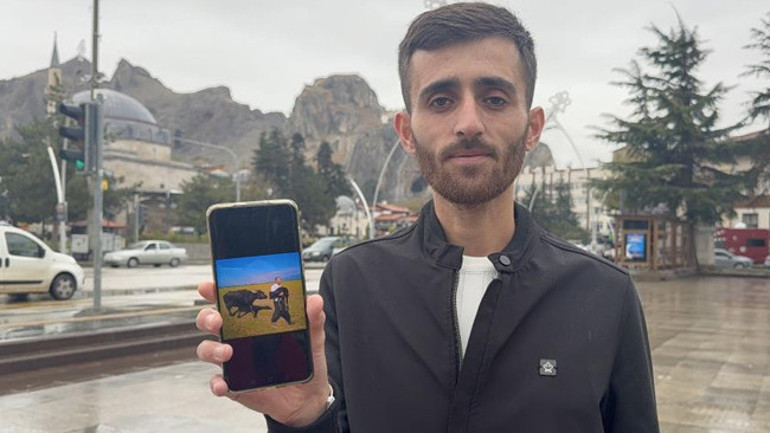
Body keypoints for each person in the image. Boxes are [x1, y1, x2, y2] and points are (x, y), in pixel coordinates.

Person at [196, 3, 660, 432]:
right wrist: (304, 419)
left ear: (533, 127)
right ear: (406, 132)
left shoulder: (605, 293)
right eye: (441, 100)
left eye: (495, 98)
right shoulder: (353, 280)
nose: (468, 123)